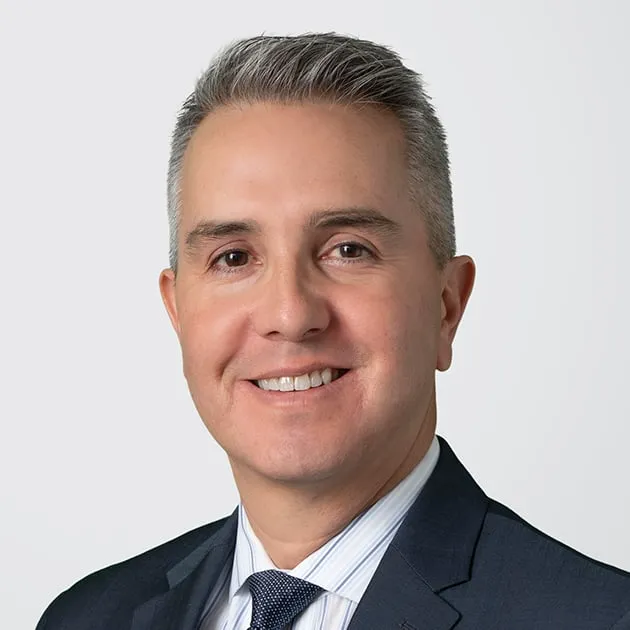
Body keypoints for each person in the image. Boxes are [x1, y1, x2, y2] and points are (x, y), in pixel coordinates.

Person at [37, 33, 630, 630]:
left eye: (348, 249)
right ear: (178, 312)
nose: (290, 315)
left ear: (446, 306)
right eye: (234, 257)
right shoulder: (87, 618)